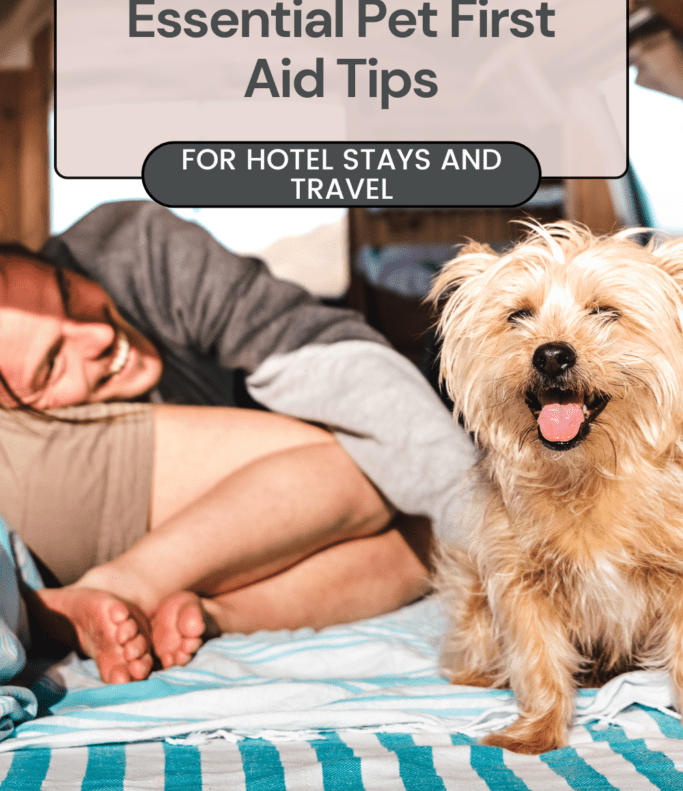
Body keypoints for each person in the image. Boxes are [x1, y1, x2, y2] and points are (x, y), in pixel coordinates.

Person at [0, 201, 477, 681]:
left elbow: (316, 348)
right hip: (125, 522)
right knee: (368, 470)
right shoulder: (33, 454)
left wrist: (479, 521)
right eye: (54, 362)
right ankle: (113, 589)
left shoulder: (131, 251)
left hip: (243, 508)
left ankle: (209, 618)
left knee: (423, 527)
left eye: (67, 291)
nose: (98, 334)